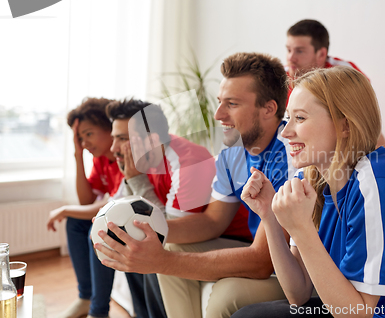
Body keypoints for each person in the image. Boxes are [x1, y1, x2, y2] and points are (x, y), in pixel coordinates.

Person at [233, 66, 385, 318]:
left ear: (345, 126)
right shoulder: (310, 180)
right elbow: (298, 294)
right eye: (287, 119)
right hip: (350, 308)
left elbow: (358, 313)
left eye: (299, 118)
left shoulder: (381, 178)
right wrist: (269, 217)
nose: (285, 133)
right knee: (249, 315)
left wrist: (301, 228)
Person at [93, 52, 297, 318]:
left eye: (232, 104)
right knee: (170, 244)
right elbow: (212, 222)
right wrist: (142, 229)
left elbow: (262, 260)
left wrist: (163, 260)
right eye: (219, 102)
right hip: (257, 250)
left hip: (290, 266)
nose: (218, 114)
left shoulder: (291, 155)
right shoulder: (232, 153)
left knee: (224, 297)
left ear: (269, 109)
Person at [104, 98, 252, 317]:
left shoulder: (187, 162)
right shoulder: (143, 158)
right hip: (195, 234)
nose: (113, 148)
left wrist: (137, 181)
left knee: (152, 246)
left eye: (122, 139)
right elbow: (120, 209)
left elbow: (167, 231)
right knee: (127, 239)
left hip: (235, 238)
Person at [47, 97, 123, 318]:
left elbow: (110, 205)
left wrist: (63, 209)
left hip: (127, 217)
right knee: (75, 223)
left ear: (111, 128)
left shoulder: (124, 156)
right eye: (80, 138)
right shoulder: (100, 159)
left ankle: (99, 311)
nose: (85, 142)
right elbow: (87, 202)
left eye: (89, 134)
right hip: (112, 212)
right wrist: (78, 156)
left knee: (94, 230)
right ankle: (85, 297)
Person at [286, 19, 385, 148]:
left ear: (321, 54)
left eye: (299, 51)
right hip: (301, 141)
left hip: (339, 139)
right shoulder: (280, 75)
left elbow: (364, 122)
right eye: (289, 50)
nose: (290, 58)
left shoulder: (345, 74)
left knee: (368, 130)